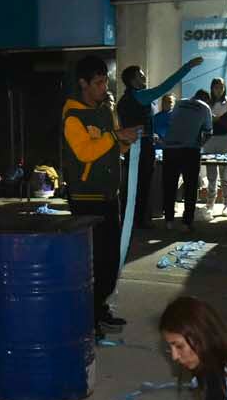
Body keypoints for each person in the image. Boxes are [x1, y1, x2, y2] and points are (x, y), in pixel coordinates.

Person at [61, 56, 140, 335]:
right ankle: (87, 318)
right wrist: (115, 138)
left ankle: (100, 307)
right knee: (92, 263)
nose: (103, 86)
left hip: (109, 196)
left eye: (105, 80)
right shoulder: (72, 116)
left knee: (110, 261)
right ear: (83, 84)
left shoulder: (106, 111)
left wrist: (125, 143)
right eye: (98, 82)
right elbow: (84, 152)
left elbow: (110, 150)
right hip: (86, 200)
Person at [161, 90, 213, 230]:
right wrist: (199, 144)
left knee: (170, 185)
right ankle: (186, 222)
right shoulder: (205, 107)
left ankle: (169, 221)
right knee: (190, 186)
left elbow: (171, 122)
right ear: (206, 100)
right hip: (190, 150)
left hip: (170, 148)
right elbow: (208, 132)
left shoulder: (179, 103)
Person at [116, 65, 157, 230]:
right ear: (133, 80)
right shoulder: (138, 98)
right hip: (141, 145)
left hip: (133, 144)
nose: (145, 78)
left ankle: (133, 218)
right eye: (141, 76)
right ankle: (139, 219)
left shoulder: (125, 100)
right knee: (141, 183)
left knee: (134, 182)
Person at [201, 78, 227, 216]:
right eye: (216, 87)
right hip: (209, 141)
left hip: (224, 140)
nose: (218, 89)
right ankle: (210, 203)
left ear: (224, 88)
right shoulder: (206, 104)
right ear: (212, 88)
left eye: (221, 87)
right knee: (211, 176)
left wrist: (219, 120)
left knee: (224, 175)